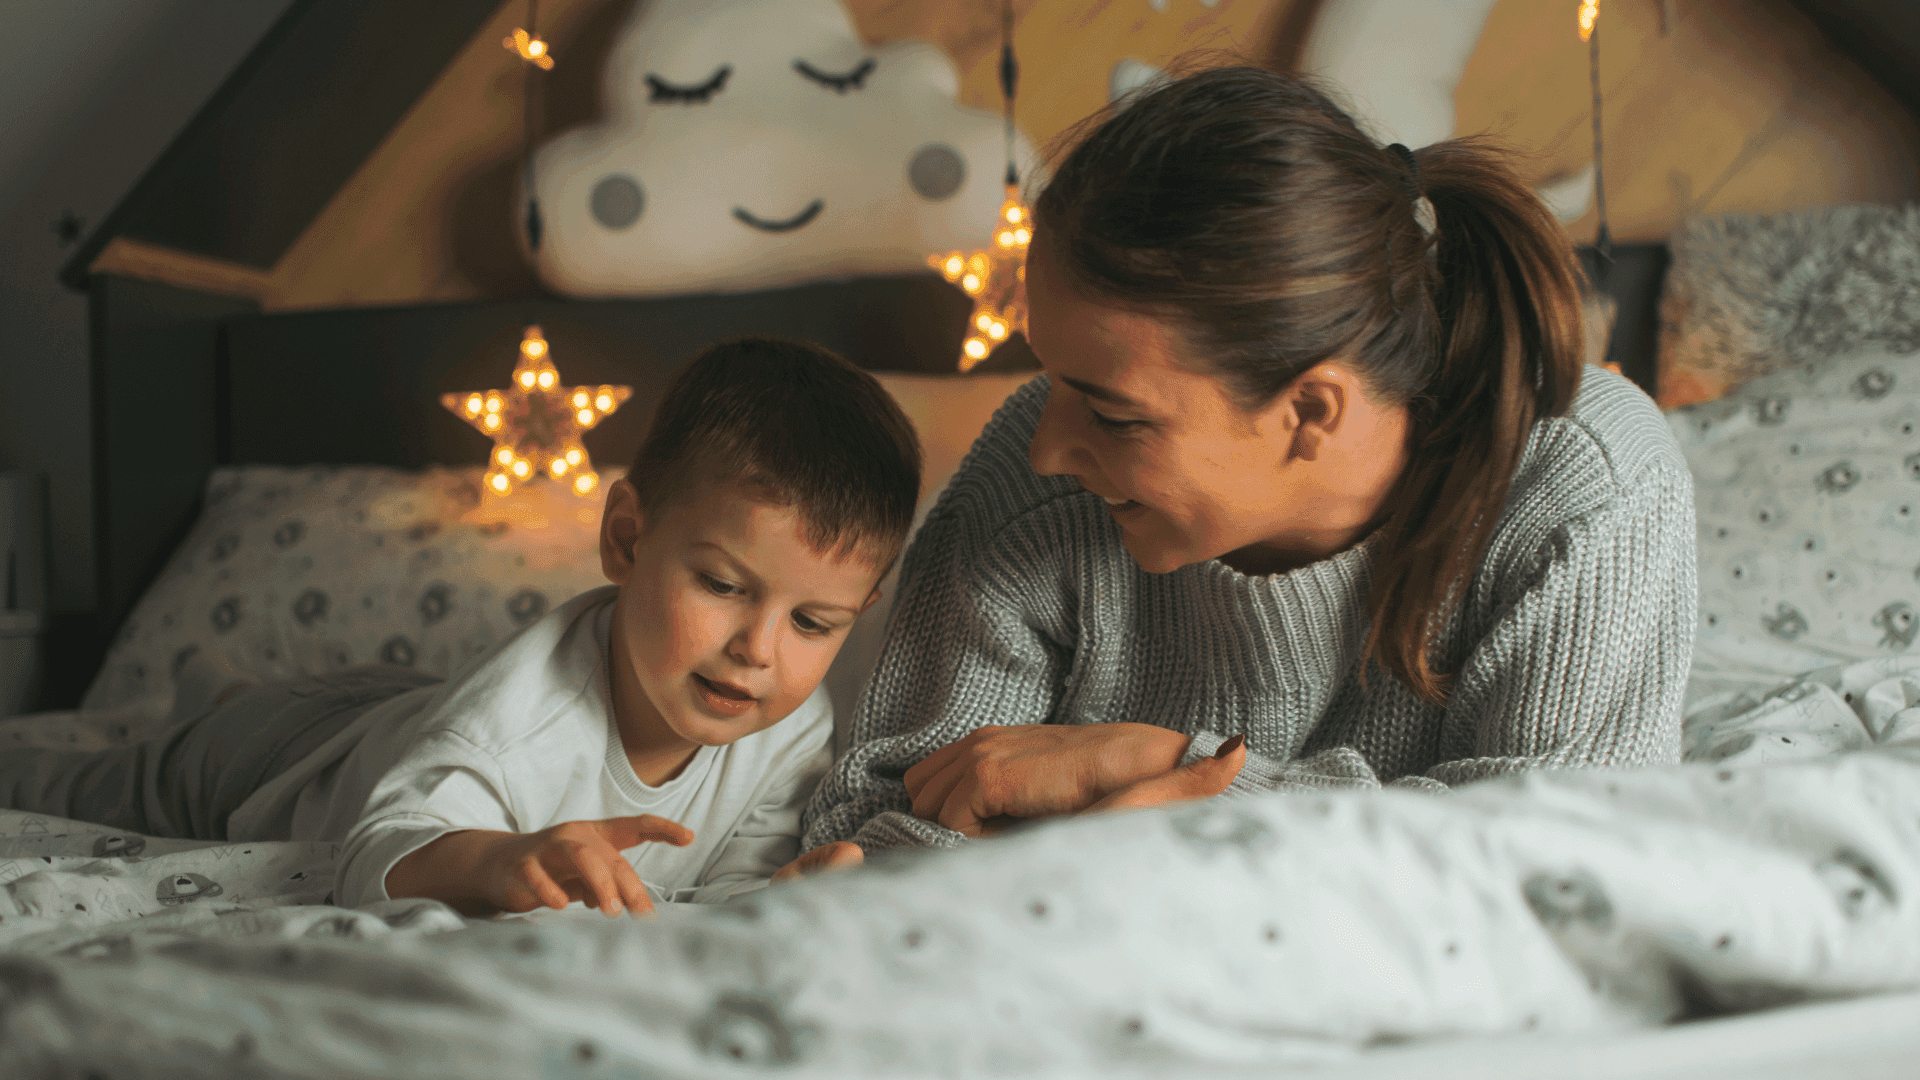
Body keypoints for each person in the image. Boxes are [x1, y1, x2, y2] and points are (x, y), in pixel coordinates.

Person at [788, 67, 1695, 872]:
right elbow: (863, 826)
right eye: (1050, 376)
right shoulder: (1041, 478)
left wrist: (1163, 772)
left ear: (1309, 412)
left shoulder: (1589, 483)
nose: (1046, 448)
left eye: (1113, 413)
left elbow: (1567, 867)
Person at [0, 338, 922, 915]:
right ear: (627, 538)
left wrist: (777, 903)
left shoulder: (792, 728)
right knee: (107, 781)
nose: (760, 650)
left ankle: (217, 682)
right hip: (281, 755)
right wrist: (503, 861)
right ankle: (215, 703)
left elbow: (722, 891)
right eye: (722, 584)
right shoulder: (519, 715)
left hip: (398, 713)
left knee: (345, 712)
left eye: (813, 621)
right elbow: (378, 857)